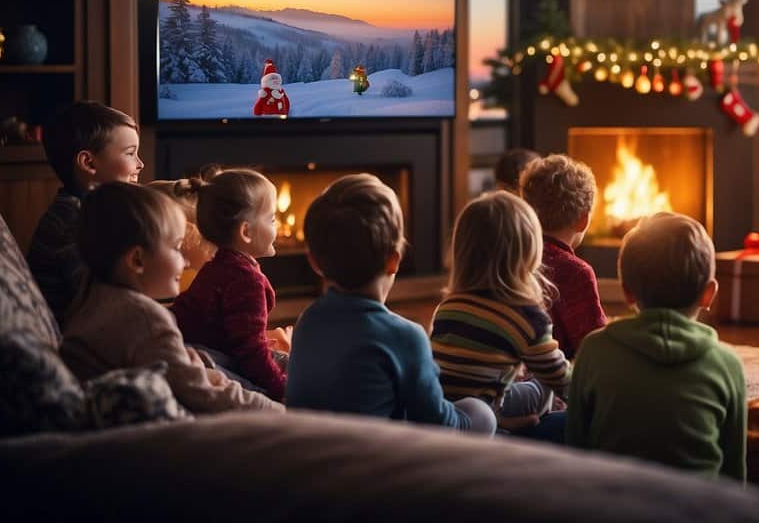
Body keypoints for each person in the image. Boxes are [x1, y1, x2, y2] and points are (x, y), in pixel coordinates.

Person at [285, 174, 494, 434]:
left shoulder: (308, 321)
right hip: (381, 464)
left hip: (309, 458)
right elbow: (439, 424)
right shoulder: (406, 337)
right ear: (394, 261)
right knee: (480, 412)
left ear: (314, 262)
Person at [60, 182, 281, 414]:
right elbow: (202, 394)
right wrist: (280, 411)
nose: (185, 262)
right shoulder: (145, 318)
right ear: (137, 260)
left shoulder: (94, 298)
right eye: (176, 248)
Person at [565, 212, 747, 482]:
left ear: (626, 292)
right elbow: (733, 471)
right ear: (709, 294)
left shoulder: (593, 350)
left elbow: (575, 450)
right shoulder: (727, 364)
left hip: (611, 506)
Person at [432, 191, 570, 440]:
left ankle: (503, 421)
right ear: (528, 252)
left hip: (448, 409)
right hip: (482, 412)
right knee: (544, 381)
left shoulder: (448, 306)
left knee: (499, 383)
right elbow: (562, 380)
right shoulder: (528, 318)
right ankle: (512, 428)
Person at [170, 169, 287, 401]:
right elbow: (250, 353)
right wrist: (282, 390)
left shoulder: (222, 265)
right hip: (204, 357)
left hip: (211, 348)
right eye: (272, 219)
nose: (277, 225)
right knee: (265, 390)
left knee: (290, 362)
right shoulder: (245, 280)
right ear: (246, 231)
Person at [29, 101, 144, 326]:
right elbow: (100, 304)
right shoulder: (74, 224)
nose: (140, 164)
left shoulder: (87, 212)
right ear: (88, 162)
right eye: (130, 153)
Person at [519, 154, 607, 359]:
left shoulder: (514, 257)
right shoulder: (576, 272)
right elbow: (594, 348)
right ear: (583, 220)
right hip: (553, 382)